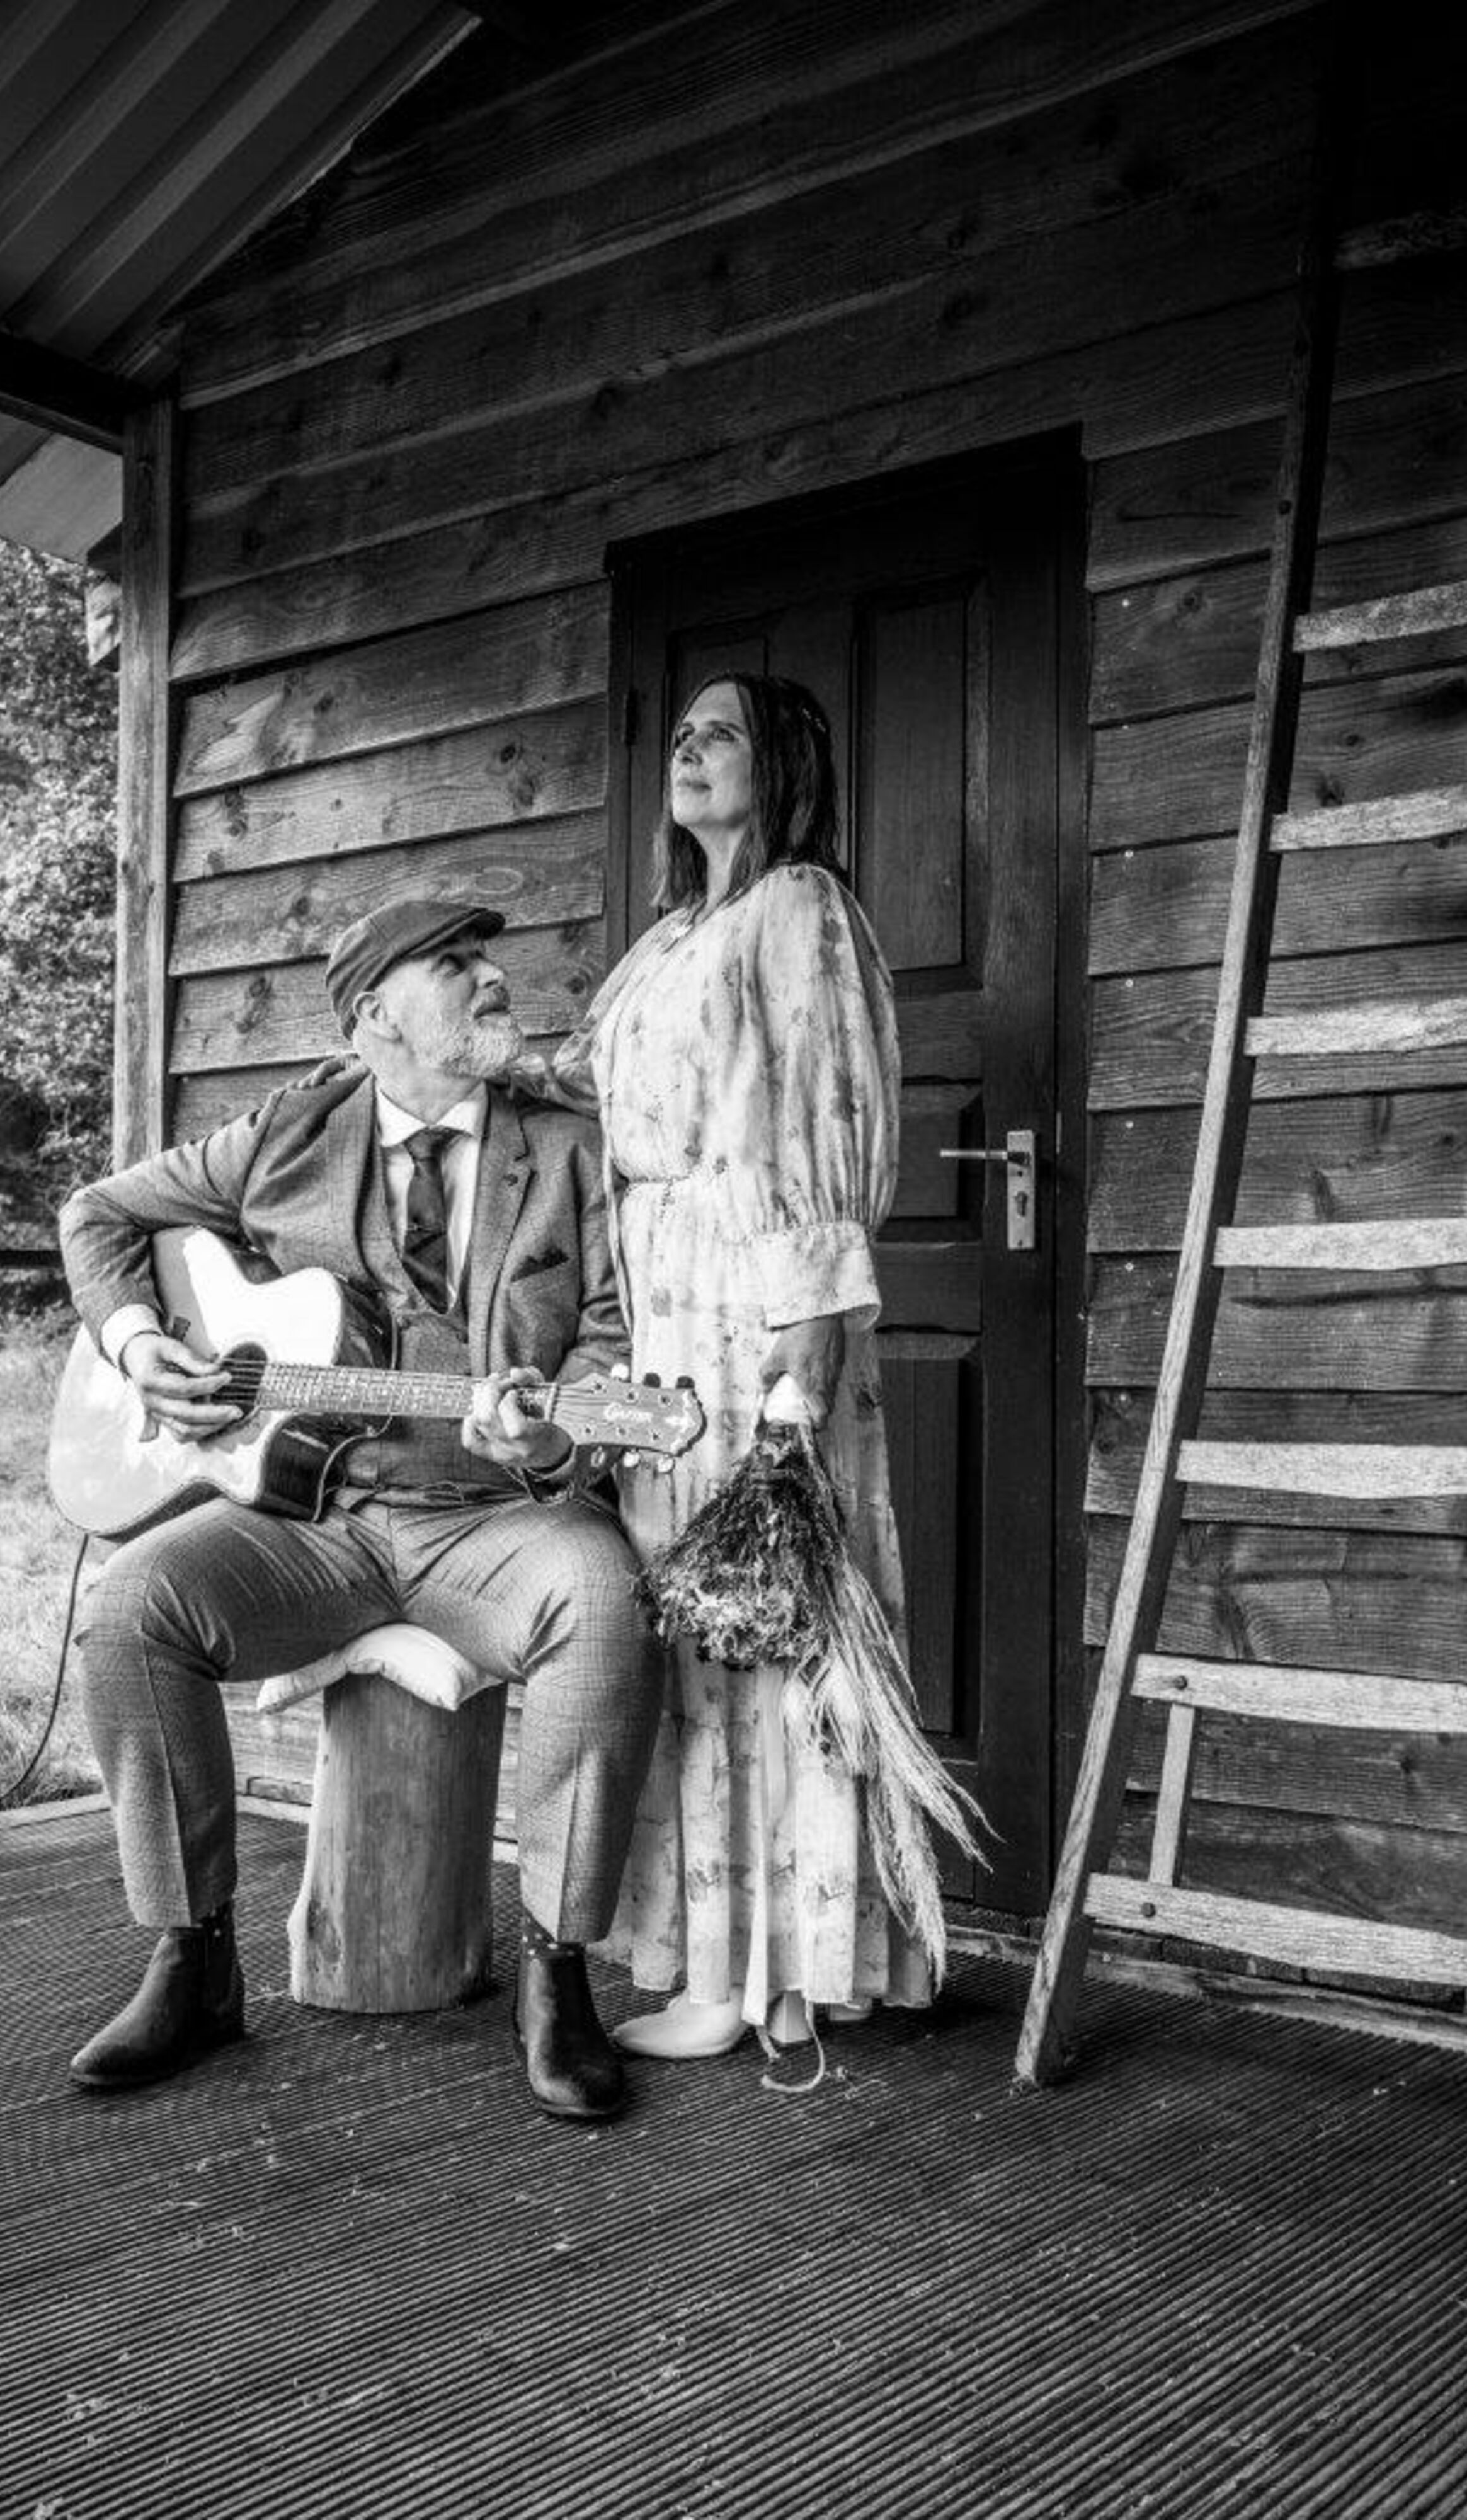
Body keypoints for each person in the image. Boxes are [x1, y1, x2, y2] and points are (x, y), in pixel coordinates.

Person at [58, 896, 662, 2122]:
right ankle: (194, 1957)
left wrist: (553, 1429)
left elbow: (608, 1343)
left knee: (605, 1598)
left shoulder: (569, 1147)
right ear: (377, 1015)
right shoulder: (290, 1133)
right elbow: (100, 1215)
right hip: (315, 1517)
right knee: (130, 1605)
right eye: (456, 963)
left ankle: (556, 1973)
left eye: (489, 956)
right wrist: (136, 1342)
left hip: (497, 1516)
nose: (491, 976)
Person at [522, 672, 929, 2062]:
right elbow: (583, 1086)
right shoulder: (666, 941)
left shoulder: (799, 907)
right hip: (661, 1303)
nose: (689, 750)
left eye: (722, 734)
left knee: (767, 1607)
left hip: (754, 1301)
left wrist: (804, 1341)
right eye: (682, 732)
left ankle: (778, 1975)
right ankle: (708, 1949)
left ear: (784, 763)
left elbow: (826, 1113)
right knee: (686, 1611)